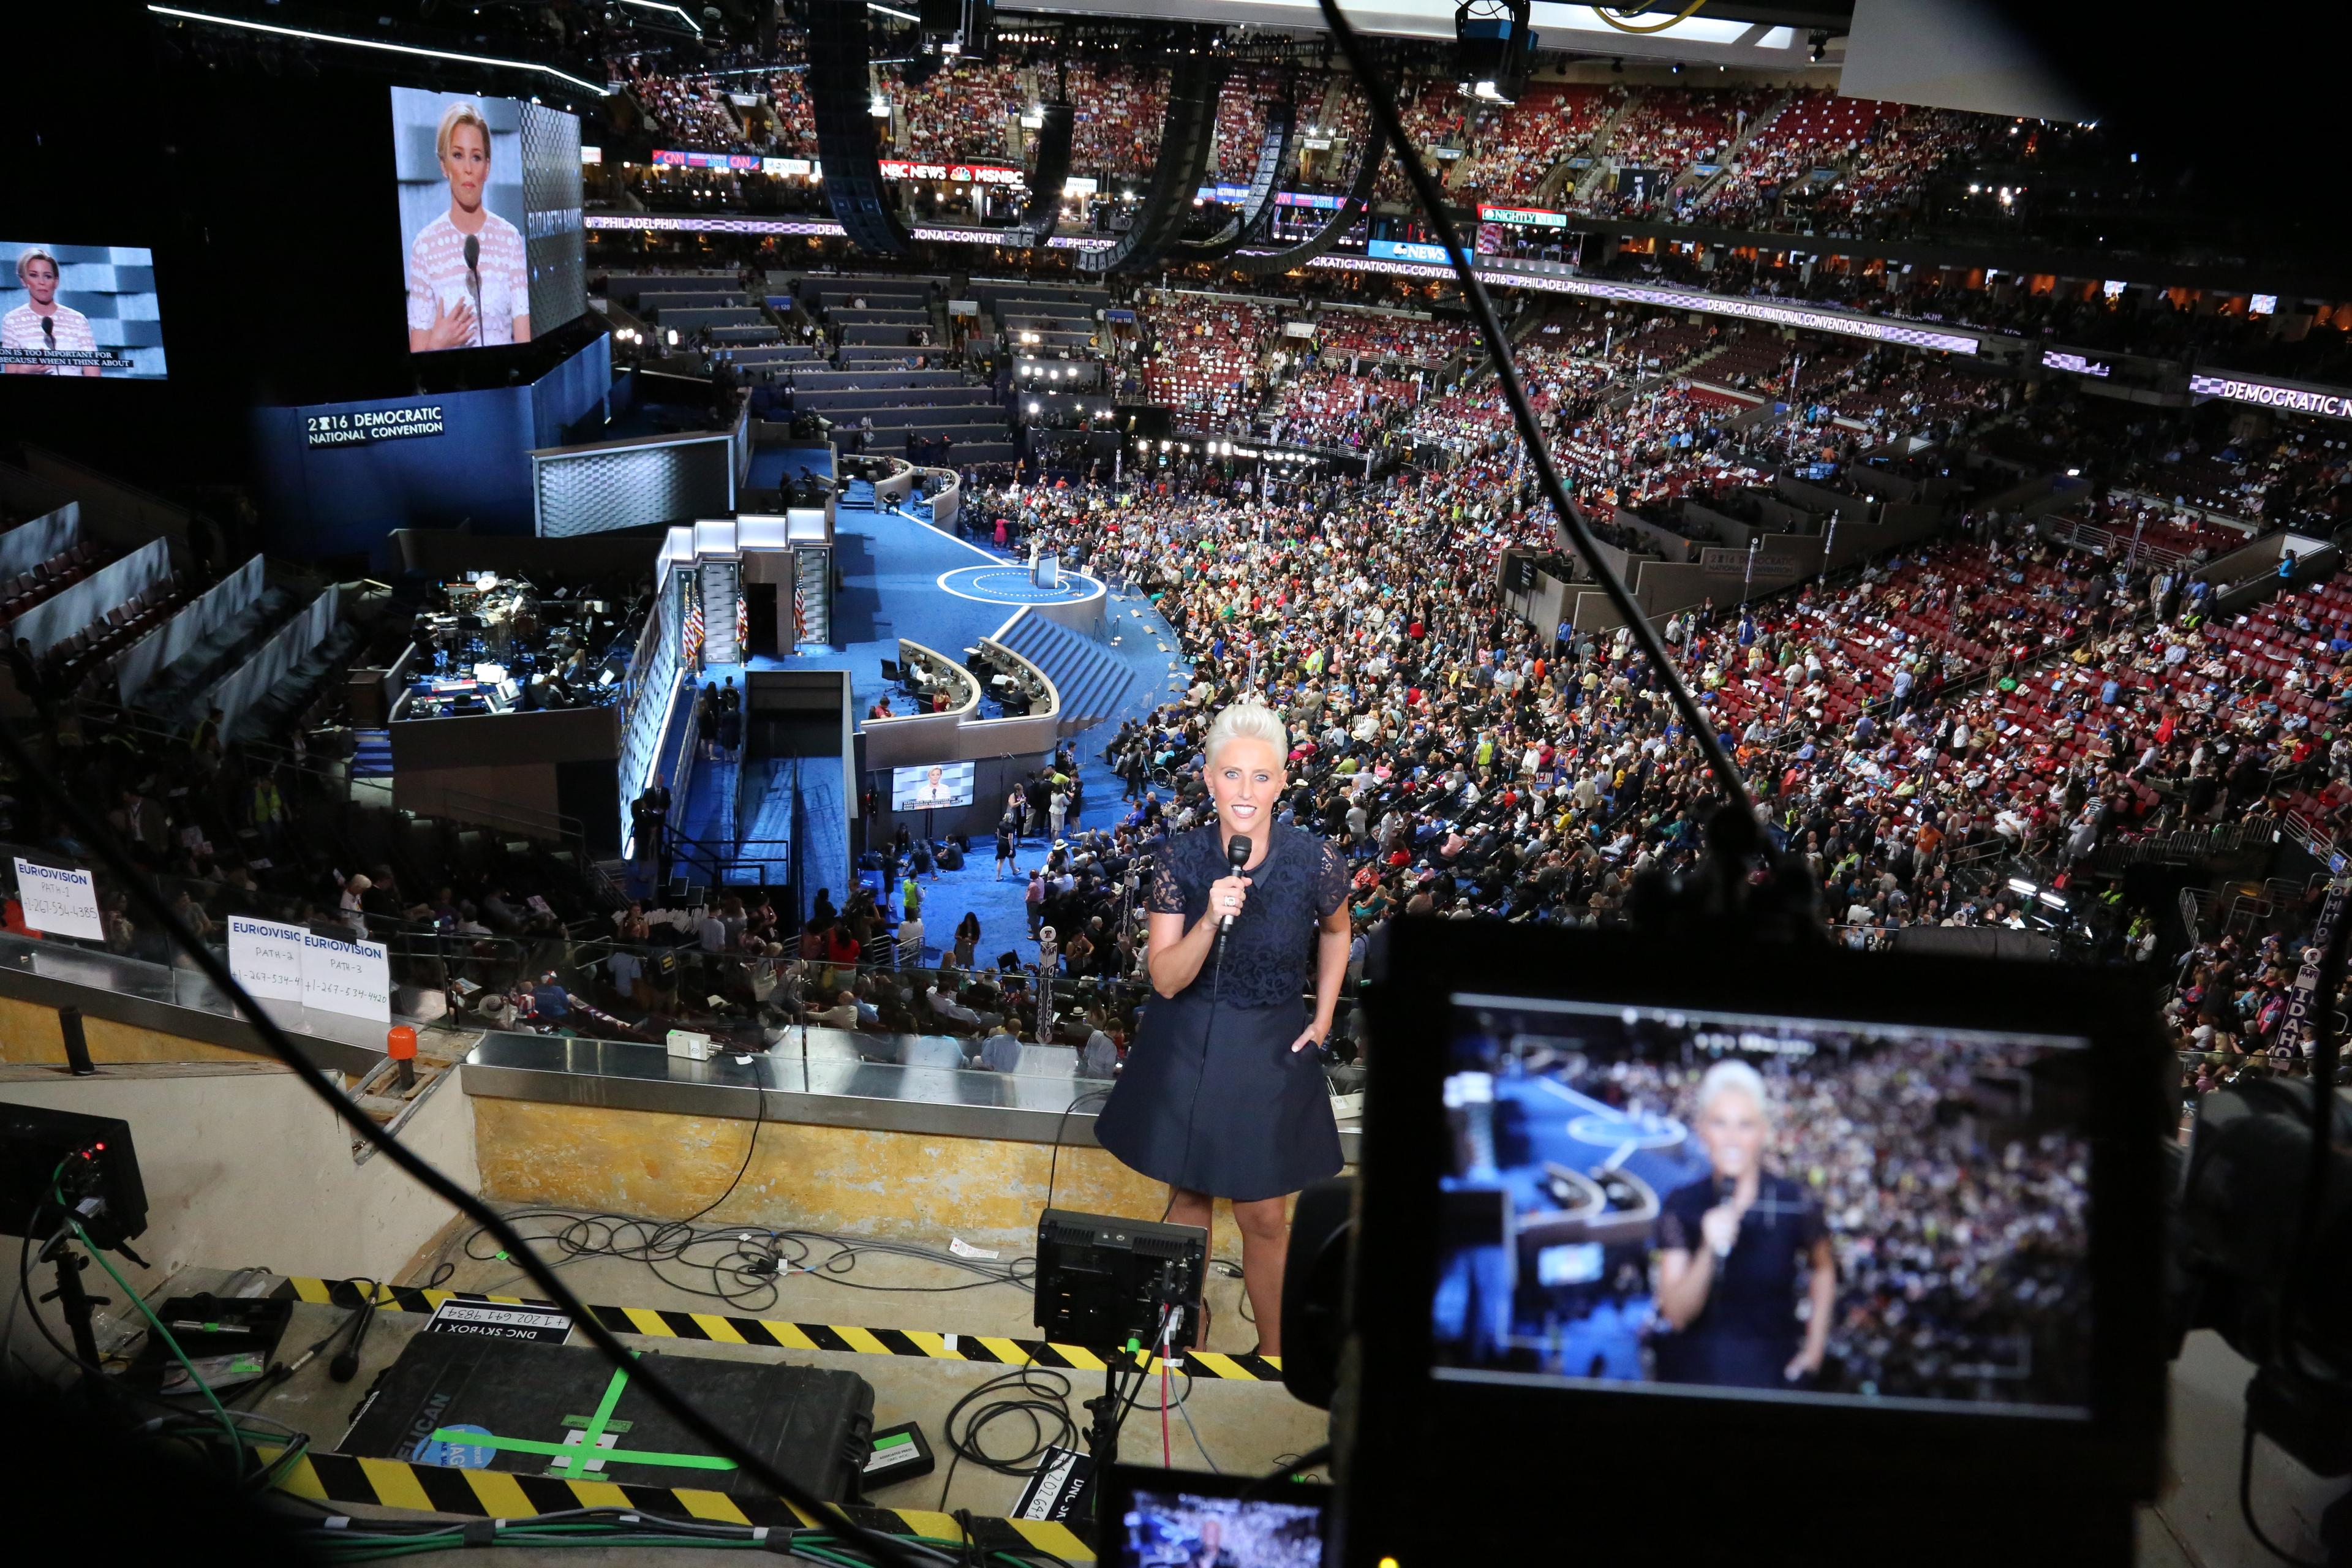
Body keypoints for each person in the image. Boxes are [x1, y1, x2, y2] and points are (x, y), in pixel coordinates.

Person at [1091, 703, 1350, 1356]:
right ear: (1208, 780)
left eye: (1260, 777)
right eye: (1231, 776)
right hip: (1192, 1043)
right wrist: (1209, 917)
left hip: (1271, 1048)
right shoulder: (1180, 859)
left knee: (1265, 1213)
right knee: (1190, 1204)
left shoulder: (1315, 860)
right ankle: (1183, 1335)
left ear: (1283, 782)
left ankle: (1275, 1354)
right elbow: (1167, 978)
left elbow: (1339, 931)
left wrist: (1322, 1015)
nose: (1245, 792)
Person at [1651, 1060, 1835, 1390]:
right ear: (1702, 1129)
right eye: (1720, 1124)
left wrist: (1815, 1347)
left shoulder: (1795, 1201)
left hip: (1771, 1375)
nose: (1732, 1138)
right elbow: (1676, 1314)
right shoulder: (1681, 1205)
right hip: (1694, 1375)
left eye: (1746, 1125)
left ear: (1763, 1131)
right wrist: (1708, 1249)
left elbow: (1823, 1269)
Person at [405, 100, 530, 351]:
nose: (468, 169)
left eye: (477, 157)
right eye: (458, 155)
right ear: (444, 165)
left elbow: (524, 341)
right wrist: (438, 342)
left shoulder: (510, 239)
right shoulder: (425, 246)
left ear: (487, 167)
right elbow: (417, 356)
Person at [3, 247, 100, 376]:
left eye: (48, 276)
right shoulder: (12, 321)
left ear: (56, 281)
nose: (42, 282)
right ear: (24, 281)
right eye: (34, 275)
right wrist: (25, 370)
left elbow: (93, 373)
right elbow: (9, 371)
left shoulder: (78, 320)